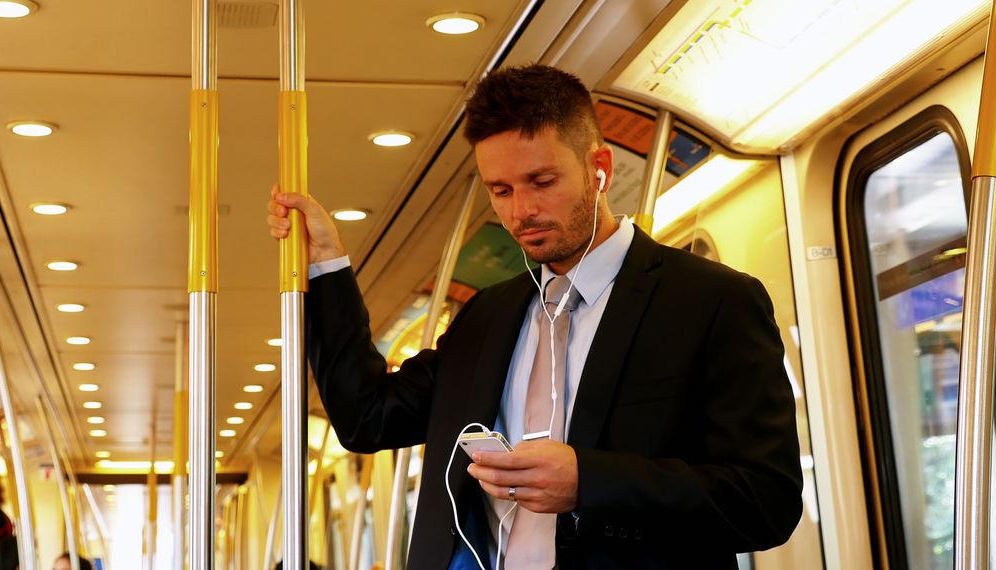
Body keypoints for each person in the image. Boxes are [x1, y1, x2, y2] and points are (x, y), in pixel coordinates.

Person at [267, 64, 802, 569]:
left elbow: (766, 501)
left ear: (599, 169)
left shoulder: (711, 302)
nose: (520, 211)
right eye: (501, 191)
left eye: (541, 182)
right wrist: (328, 266)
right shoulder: (487, 317)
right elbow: (367, 418)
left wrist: (588, 482)